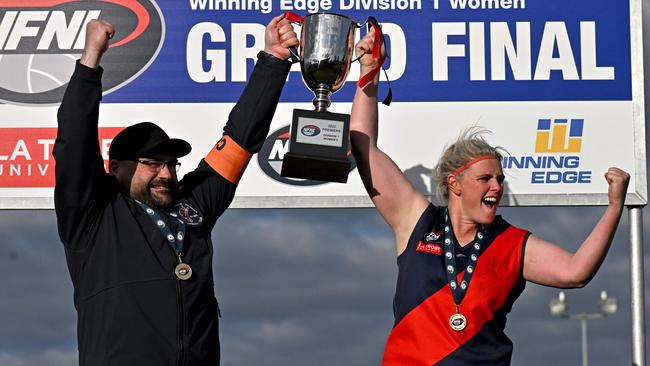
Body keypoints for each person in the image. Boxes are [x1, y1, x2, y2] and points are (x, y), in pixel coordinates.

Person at [350, 29, 630, 365]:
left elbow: (575, 272)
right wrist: (369, 69)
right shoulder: (416, 221)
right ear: (455, 183)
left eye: (499, 178)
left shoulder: (511, 243)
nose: (496, 187)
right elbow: (364, 148)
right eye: (485, 179)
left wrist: (614, 208)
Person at [53, 16, 298, 366]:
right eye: (152, 163)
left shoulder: (194, 205)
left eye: (171, 164)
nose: (166, 173)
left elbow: (241, 140)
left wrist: (273, 62)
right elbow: (73, 142)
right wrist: (91, 60)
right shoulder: (93, 216)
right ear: (116, 168)